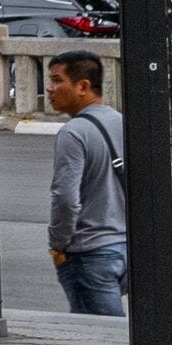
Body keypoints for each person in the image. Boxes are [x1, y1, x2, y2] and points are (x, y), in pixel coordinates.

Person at [45, 48, 128, 317]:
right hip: (125, 248)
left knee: (100, 339)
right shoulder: (123, 123)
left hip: (89, 253)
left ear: (83, 86)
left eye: (57, 80)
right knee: (118, 337)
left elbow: (65, 198)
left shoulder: (73, 133)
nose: (50, 88)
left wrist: (58, 243)